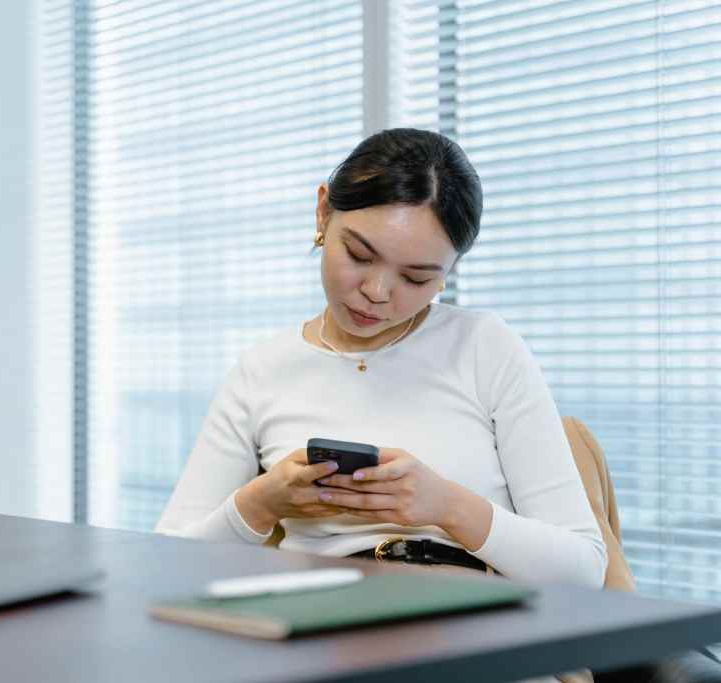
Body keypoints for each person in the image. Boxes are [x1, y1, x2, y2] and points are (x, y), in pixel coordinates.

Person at [155, 128, 607, 592]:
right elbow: (168, 566)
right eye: (358, 255)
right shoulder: (262, 372)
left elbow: (583, 570)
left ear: (447, 275)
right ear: (323, 211)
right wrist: (260, 503)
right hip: (321, 622)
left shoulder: (484, 346)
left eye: (416, 278)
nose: (377, 293)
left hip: (471, 620)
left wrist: (447, 506)